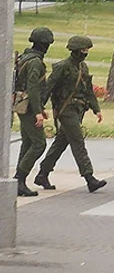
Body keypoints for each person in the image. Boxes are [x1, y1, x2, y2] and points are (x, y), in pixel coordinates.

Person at [34, 35, 106, 193]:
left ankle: (42, 173)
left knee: (60, 144)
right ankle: (89, 177)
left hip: (78, 110)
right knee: (78, 142)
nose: (85, 53)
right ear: (75, 50)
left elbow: (88, 90)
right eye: (83, 50)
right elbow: (49, 87)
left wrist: (96, 109)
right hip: (65, 110)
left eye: (87, 50)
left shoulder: (83, 67)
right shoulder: (63, 67)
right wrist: (39, 108)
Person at [14, 27, 54, 197]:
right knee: (39, 144)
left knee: (28, 142)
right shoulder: (36, 62)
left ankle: (18, 181)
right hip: (29, 107)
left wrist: (40, 109)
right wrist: (38, 111)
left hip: (23, 104)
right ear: (44, 44)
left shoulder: (25, 57)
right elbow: (33, 87)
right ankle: (19, 178)